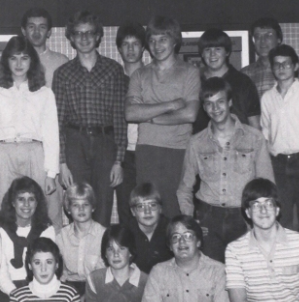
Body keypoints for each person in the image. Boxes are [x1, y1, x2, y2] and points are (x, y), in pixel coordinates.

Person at [177, 77, 275, 262]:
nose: (215, 109)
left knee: (245, 276)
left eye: (220, 102)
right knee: (213, 278)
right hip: (208, 218)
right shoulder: (196, 142)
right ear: (204, 108)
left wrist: (259, 222)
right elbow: (184, 188)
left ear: (230, 102)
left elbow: (267, 186)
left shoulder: (254, 138)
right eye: (209, 104)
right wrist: (190, 221)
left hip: (244, 218)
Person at [53, 10, 127, 226]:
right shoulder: (63, 73)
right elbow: (58, 120)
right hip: (75, 142)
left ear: (98, 37)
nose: (84, 38)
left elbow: (119, 118)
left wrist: (119, 160)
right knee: (78, 200)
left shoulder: (113, 70)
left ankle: (99, 257)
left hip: (106, 143)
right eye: (78, 33)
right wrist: (62, 163)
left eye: (89, 33)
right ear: (71, 38)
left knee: (103, 202)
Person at [126, 15, 201, 218]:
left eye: (163, 39)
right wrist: (170, 105)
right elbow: (131, 112)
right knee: (148, 211)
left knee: (178, 211)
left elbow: (190, 114)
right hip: (147, 151)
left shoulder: (190, 72)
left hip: (179, 150)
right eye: (152, 40)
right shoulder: (139, 75)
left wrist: (151, 116)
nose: (157, 45)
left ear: (175, 40)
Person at [0, 35, 61, 227]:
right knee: (5, 210)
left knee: (39, 211)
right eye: (13, 58)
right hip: (4, 154)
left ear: (32, 62)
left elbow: (51, 134)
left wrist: (51, 173)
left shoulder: (44, 93)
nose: (19, 63)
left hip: (35, 153)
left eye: (24, 58)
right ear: (6, 61)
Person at [261, 44, 299, 241]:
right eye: (277, 64)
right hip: (279, 165)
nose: (281, 68)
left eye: (286, 64)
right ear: (272, 68)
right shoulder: (267, 98)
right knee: (281, 219)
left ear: (295, 67)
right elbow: (265, 133)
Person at [192, 29, 261, 133]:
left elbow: (255, 125)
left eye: (218, 49)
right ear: (201, 54)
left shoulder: (243, 82)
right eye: (207, 50)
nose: (212, 54)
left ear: (227, 52)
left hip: (239, 145)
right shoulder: (194, 82)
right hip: (203, 146)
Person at [0, 177, 55, 295]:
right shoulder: (0, 230)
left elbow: (49, 269)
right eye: (21, 199)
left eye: (31, 199)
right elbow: (1, 274)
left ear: (37, 203)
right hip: (7, 289)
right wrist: (16, 294)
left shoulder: (47, 230)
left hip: (38, 287)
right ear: (13, 202)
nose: (26, 205)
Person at [114, 22, 146, 225]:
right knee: (126, 210)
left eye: (136, 44)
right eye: (126, 44)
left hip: (147, 148)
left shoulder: (152, 76)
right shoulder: (114, 78)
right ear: (119, 48)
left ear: (143, 47)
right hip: (121, 154)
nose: (131, 49)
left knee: (148, 205)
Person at [241, 17, 299, 98]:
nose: (262, 40)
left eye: (268, 35)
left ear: (278, 39)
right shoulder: (245, 74)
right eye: (257, 36)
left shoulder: (298, 67)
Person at [55, 182, 105, 296]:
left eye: (85, 204)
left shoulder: (103, 235)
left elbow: (104, 274)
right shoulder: (61, 236)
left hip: (97, 288)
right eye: (75, 205)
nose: (81, 209)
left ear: (93, 208)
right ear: (68, 209)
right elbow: (60, 273)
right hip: (70, 287)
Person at [127, 183, 172, 273]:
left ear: (160, 208)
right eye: (141, 206)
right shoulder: (126, 233)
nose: (147, 211)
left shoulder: (171, 230)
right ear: (133, 211)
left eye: (152, 205)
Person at [20, 7, 68, 90]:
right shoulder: (16, 61)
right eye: (31, 27)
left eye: (42, 27)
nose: (36, 32)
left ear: (49, 32)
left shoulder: (61, 62)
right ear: (24, 31)